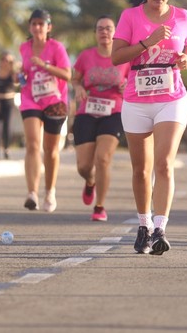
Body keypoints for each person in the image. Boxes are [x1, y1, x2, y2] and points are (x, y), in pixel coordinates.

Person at [111, 0, 187, 255]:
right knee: (141, 170)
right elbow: (116, 57)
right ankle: (144, 225)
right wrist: (146, 42)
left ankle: (160, 228)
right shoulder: (130, 17)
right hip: (137, 100)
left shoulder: (183, 16)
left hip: (171, 97)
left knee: (163, 164)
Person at [72, 15, 130, 222]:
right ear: (95, 33)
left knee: (103, 158)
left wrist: (127, 86)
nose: (104, 32)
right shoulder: (86, 56)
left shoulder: (124, 57)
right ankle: (90, 182)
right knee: (84, 167)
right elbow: (75, 78)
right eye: (100, 28)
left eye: (108, 28)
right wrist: (78, 88)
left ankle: (100, 206)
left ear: (115, 33)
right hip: (87, 111)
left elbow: (134, 80)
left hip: (114, 111)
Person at [19, 9, 71, 212]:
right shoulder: (24, 47)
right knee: (32, 144)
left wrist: (45, 66)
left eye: (41, 24)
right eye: (34, 23)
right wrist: (20, 76)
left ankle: (50, 191)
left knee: (50, 150)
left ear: (49, 27)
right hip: (30, 98)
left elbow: (67, 74)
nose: (37, 27)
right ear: (30, 26)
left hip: (54, 102)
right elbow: (25, 71)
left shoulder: (56, 47)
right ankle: (32, 193)